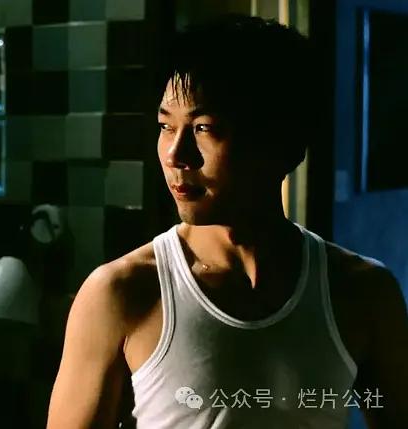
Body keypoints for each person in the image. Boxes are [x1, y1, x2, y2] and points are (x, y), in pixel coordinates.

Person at [46, 15, 407, 429]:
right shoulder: (122, 293)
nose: (176, 154)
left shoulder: (363, 292)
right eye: (166, 126)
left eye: (204, 128)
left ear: (284, 145)